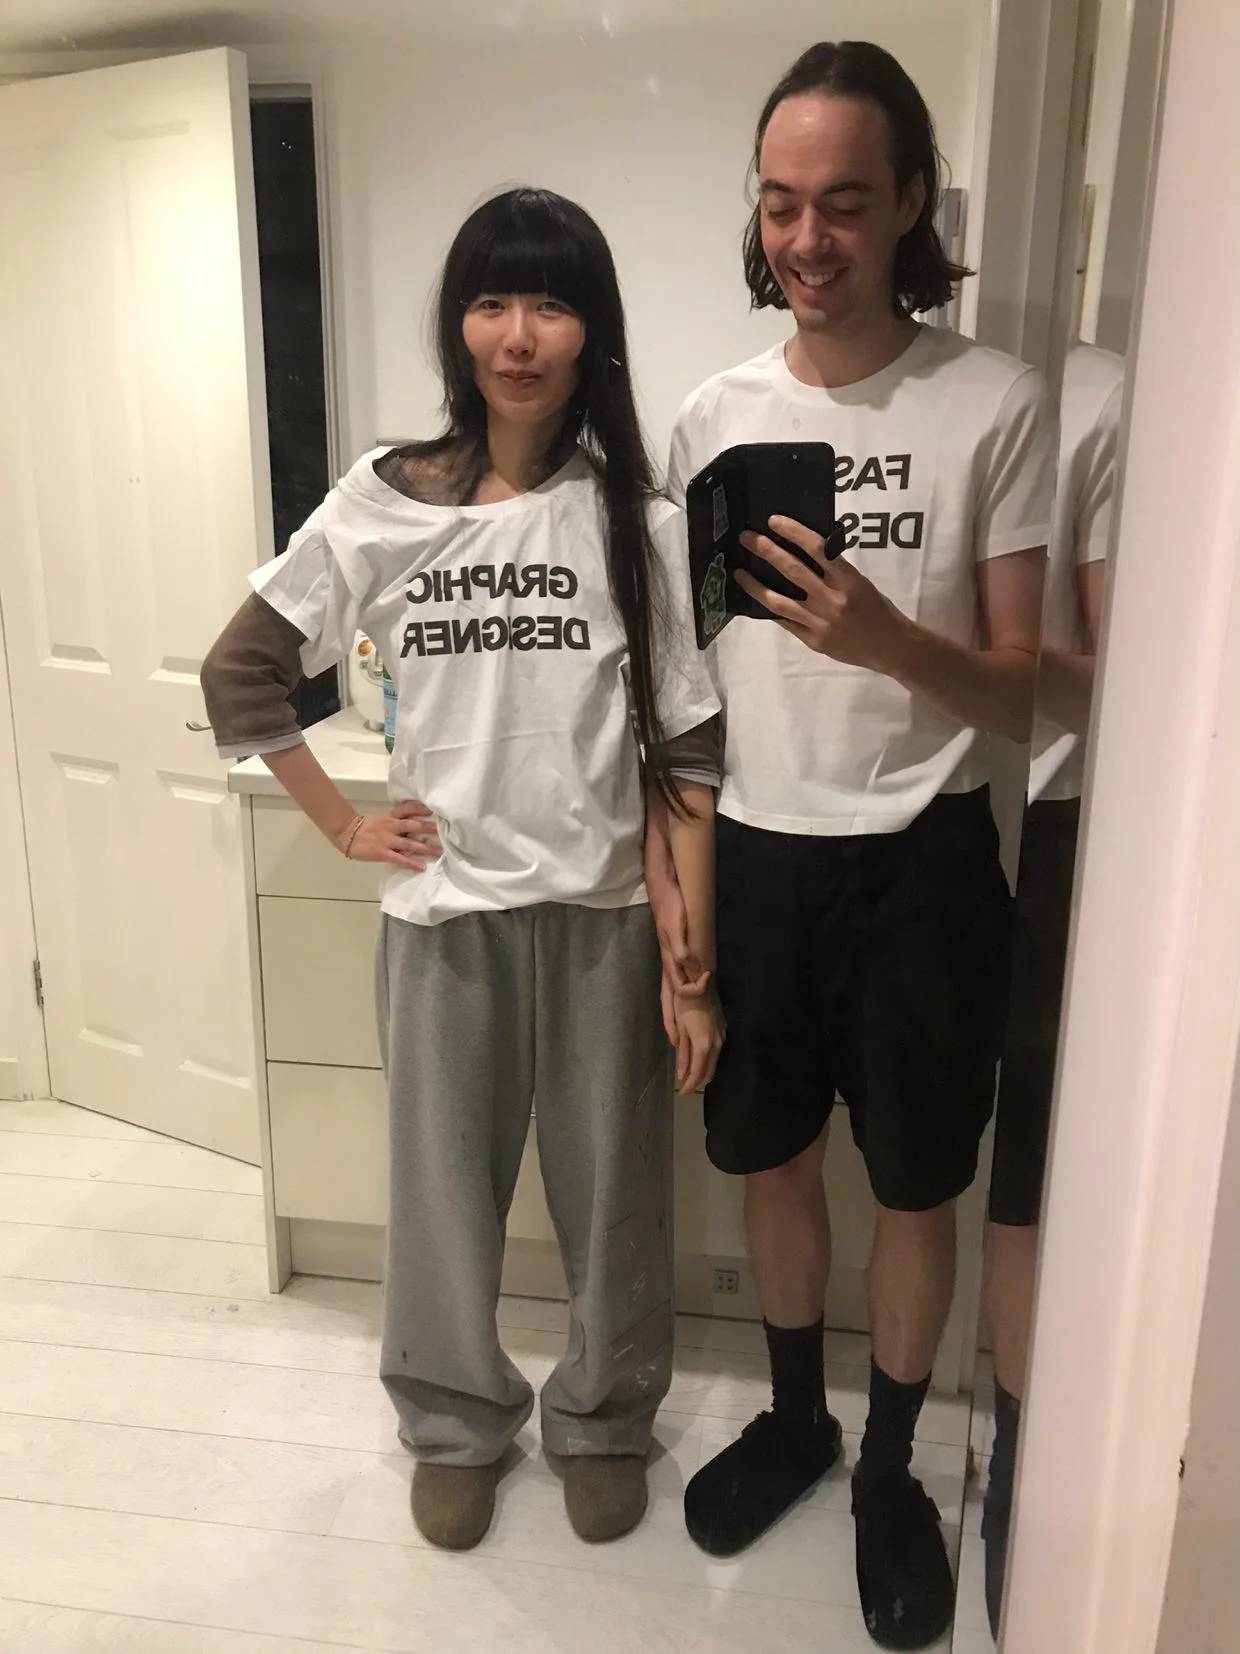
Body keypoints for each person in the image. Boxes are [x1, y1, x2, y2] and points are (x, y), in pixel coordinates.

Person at [201, 188, 723, 1553]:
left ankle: (602, 1419)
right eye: (492, 301)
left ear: (592, 330)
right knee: (440, 1207)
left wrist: (691, 950)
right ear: (458, 324)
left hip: (606, 917)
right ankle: (452, 1423)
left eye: (551, 303)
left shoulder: (638, 516)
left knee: (614, 1204)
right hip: (446, 922)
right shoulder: (384, 497)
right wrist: (342, 825)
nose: (518, 334)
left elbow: (685, 741)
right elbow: (241, 670)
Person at [646, 42, 1056, 1650]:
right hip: (758, 849)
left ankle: (891, 1465)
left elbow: (1028, 688)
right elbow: (689, 688)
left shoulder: (991, 401)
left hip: (925, 854)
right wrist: (680, 896)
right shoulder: (712, 418)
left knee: (916, 1178)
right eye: (780, 203)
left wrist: (891, 641)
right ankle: (800, 1417)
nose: (807, 239)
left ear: (910, 206)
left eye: (843, 203)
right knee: (771, 1156)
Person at [981, 339, 1124, 1640]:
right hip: (1050, 812)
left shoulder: (1106, 396)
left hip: (1085, 817)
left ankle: (1036, 1469)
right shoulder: (1098, 397)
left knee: (1060, 1169)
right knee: (1022, 1163)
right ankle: (1018, 1467)